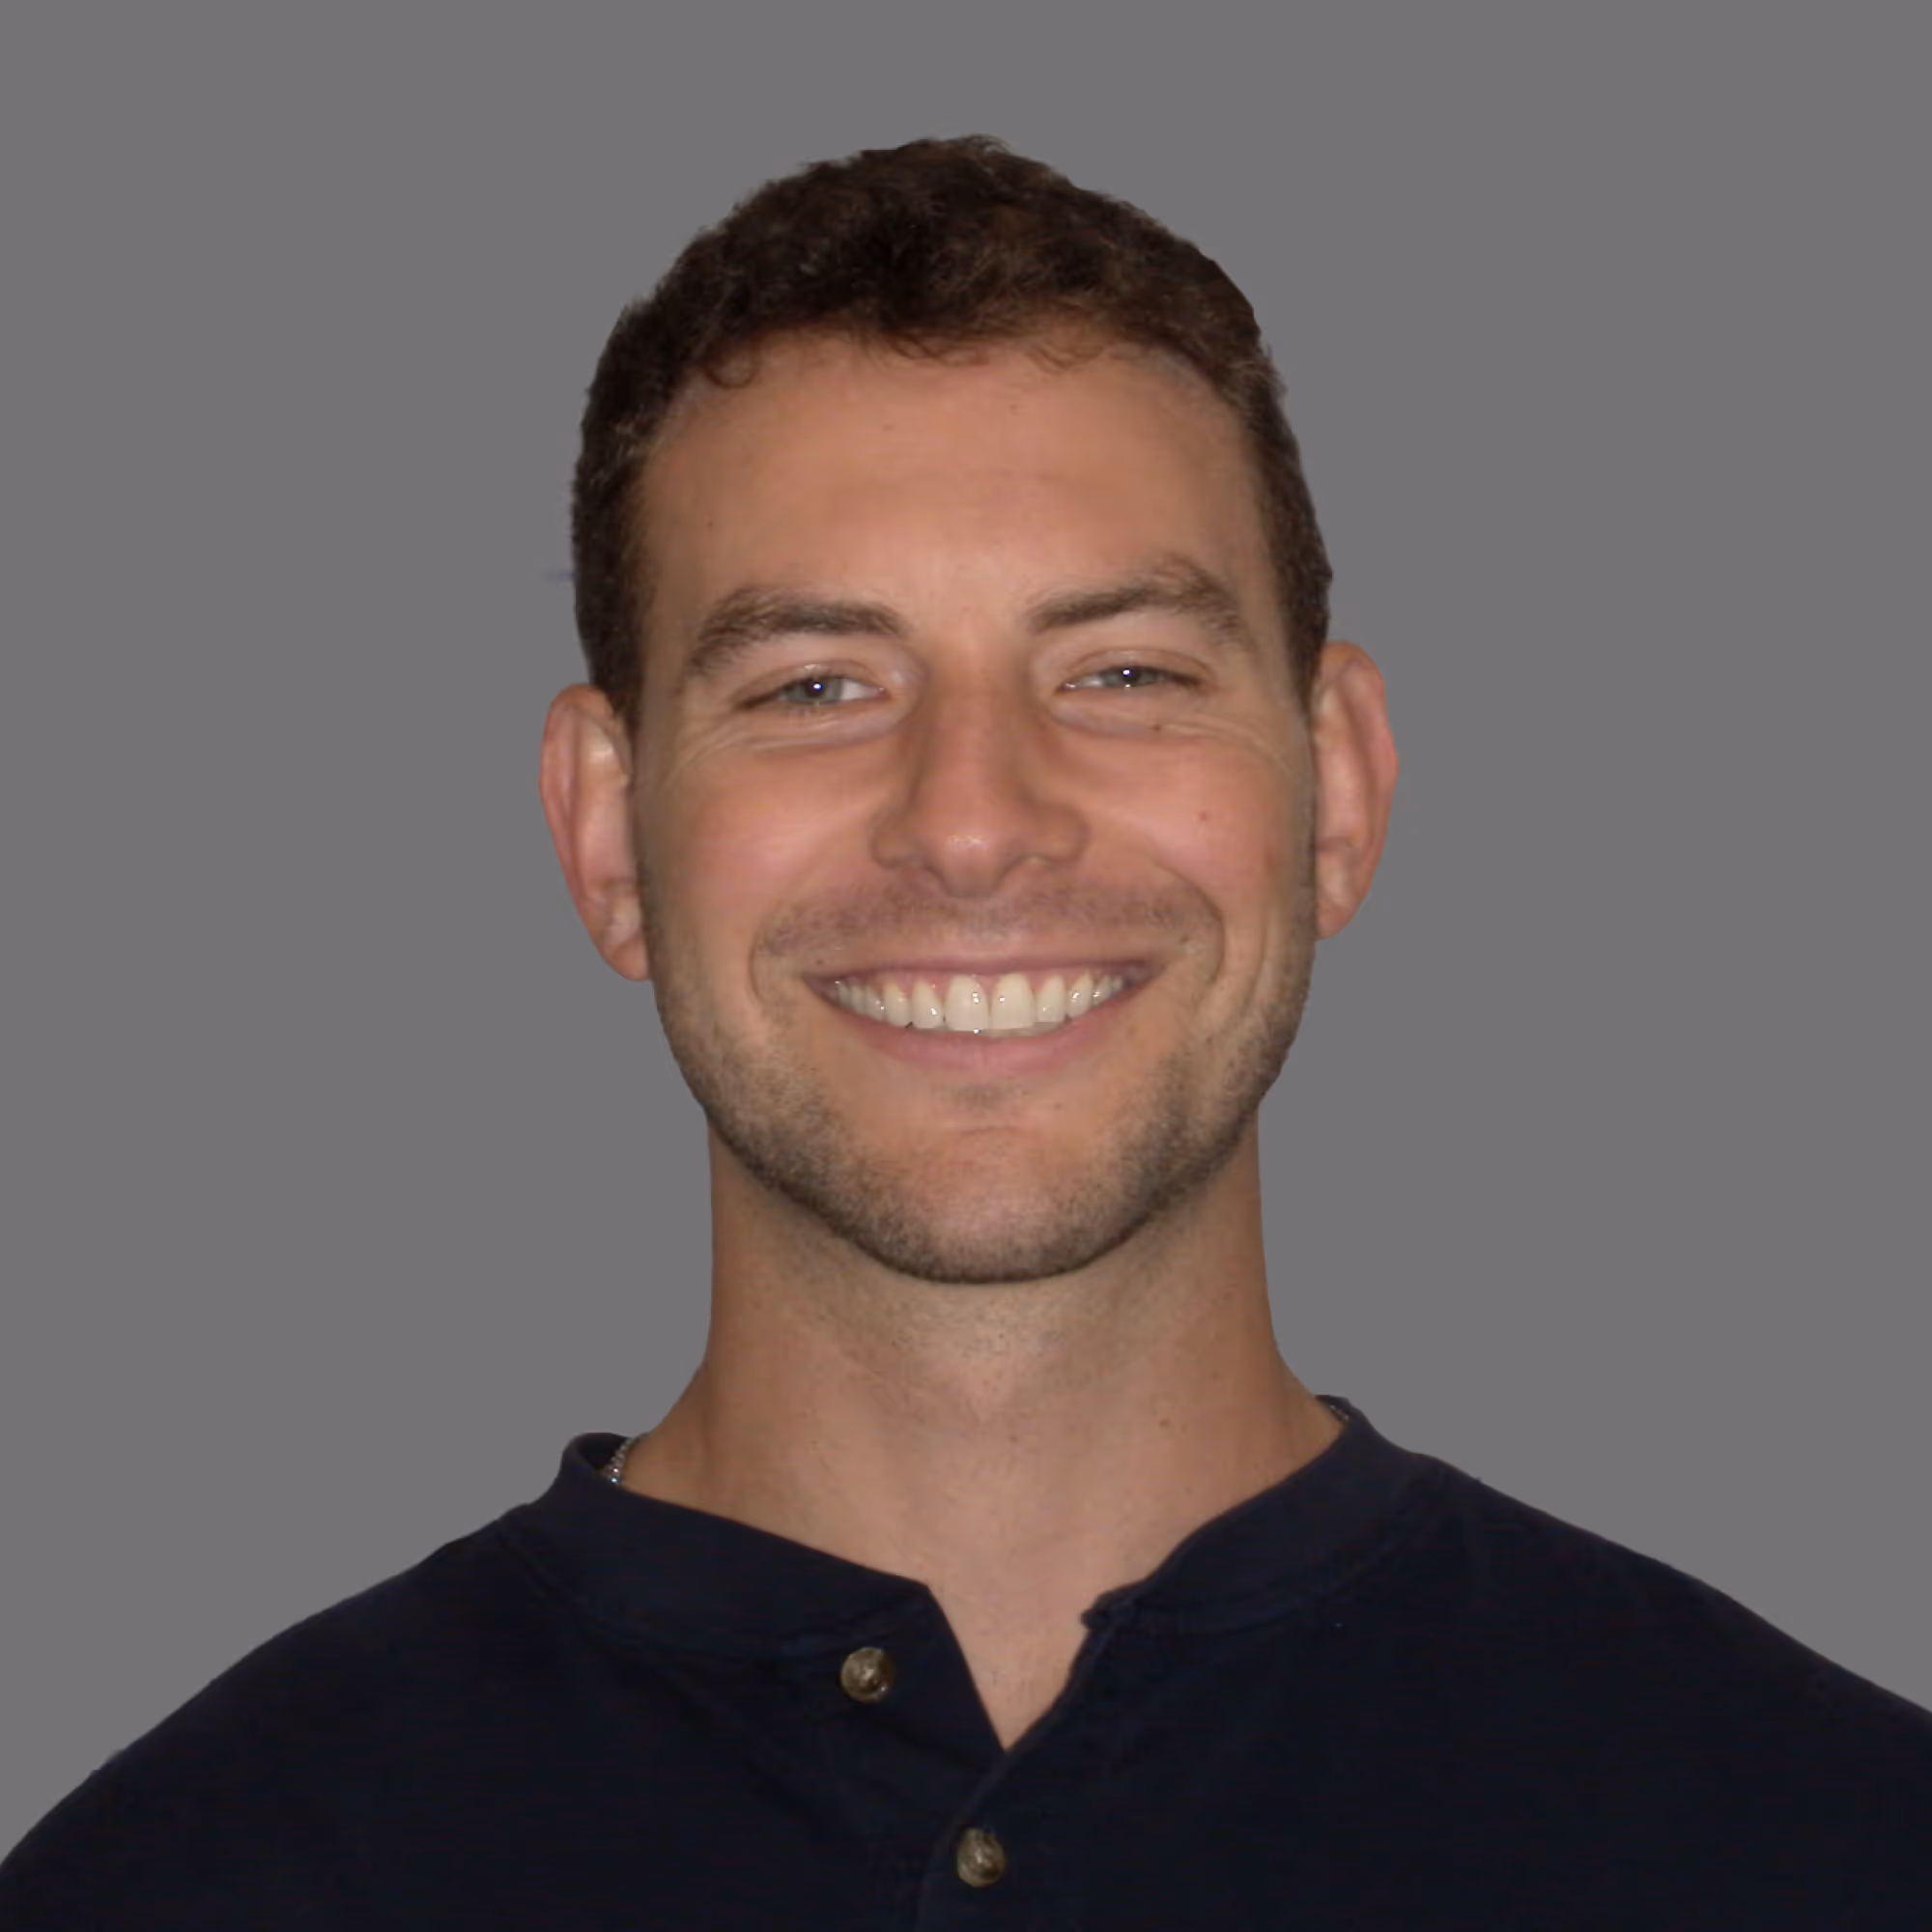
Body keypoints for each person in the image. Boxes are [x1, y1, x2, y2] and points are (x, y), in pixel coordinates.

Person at [4, 133, 1928, 1929]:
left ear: (1333, 791)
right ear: (607, 833)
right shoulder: (186, 1875)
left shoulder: (1824, 1841)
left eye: (1120, 669)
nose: (974, 818)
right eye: (820, 680)